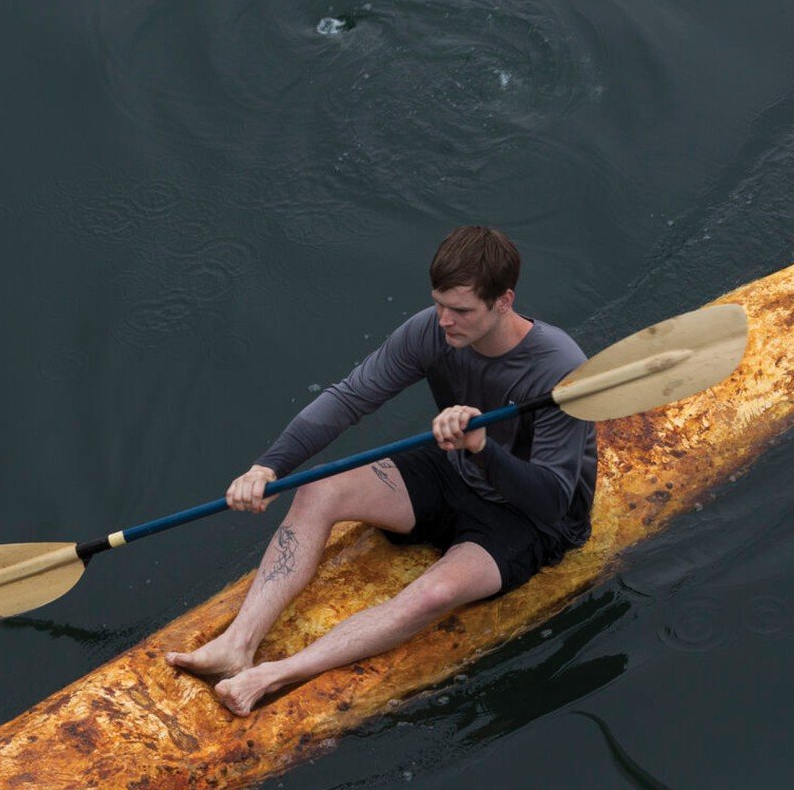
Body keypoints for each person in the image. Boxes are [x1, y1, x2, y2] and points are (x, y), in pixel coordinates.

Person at [166, 226, 596, 714]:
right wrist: (270, 465)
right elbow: (350, 398)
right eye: (439, 304)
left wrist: (482, 447)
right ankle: (236, 645)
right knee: (320, 488)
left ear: (504, 301)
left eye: (461, 311)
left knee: (436, 592)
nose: (445, 321)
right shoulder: (431, 332)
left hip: (530, 517)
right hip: (456, 468)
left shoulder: (560, 368)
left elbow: (552, 500)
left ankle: (277, 674)